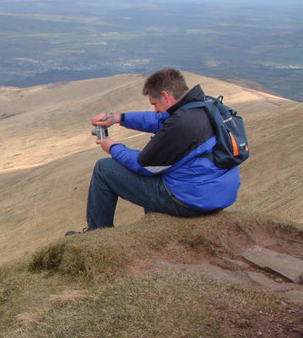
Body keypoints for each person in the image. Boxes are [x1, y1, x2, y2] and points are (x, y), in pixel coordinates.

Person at [78, 68, 241, 232]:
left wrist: (112, 146)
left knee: (104, 169)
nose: (155, 109)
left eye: (154, 104)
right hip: (218, 193)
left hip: (191, 201)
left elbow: (144, 166)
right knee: (165, 168)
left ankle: (97, 232)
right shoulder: (201, 106)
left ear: (165, 96)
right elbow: (158, 120)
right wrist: (117, 118)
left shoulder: (181, 125)